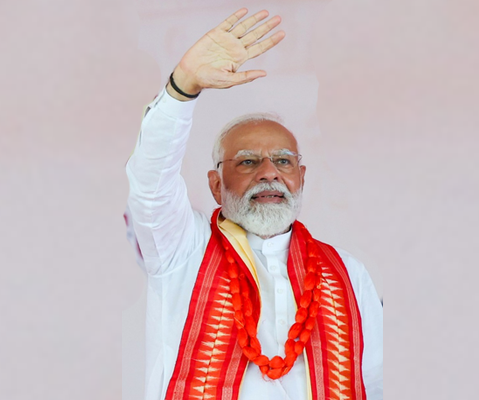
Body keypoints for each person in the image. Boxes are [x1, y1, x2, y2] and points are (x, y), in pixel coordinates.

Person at [125, 8, 383, 400]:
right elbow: (150, 185)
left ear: (301, 177)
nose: (269, 173)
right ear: (216, 185)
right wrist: (183, 87)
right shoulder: (180, 250)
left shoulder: (349, 273)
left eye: (283, 161)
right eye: (247, 162)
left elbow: (374, 381)